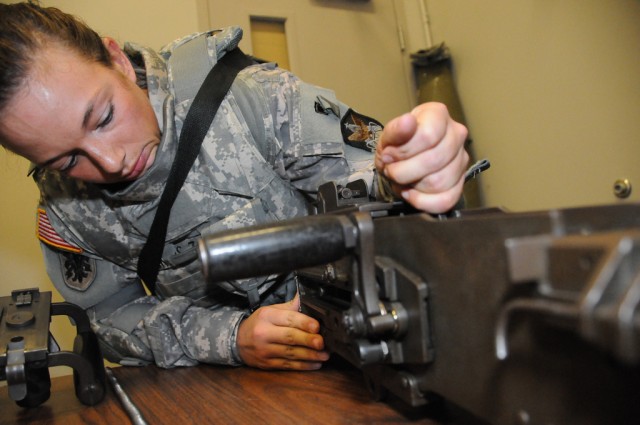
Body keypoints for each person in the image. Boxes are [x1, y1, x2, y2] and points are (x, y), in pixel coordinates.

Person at [0, 3, 469, 370]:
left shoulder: (248, 99)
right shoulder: (66, 209)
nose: (111, 161)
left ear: (118, 60)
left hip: (373, 341)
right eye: (66, 159)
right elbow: (107, 319)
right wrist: (230, 338)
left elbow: (377, 193)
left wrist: (414, 173)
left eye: (103, 117)